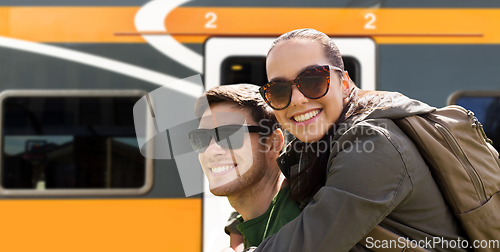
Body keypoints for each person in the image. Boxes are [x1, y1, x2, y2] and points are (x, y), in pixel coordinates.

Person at [247, 28, 468, 251]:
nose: (296, 99)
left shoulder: (375, 145)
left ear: (344, 84)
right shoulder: (316, 147)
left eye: (313, 80)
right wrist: (240, 223)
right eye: (278, 90)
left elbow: (310, 243)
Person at [190, 84, 301, 251]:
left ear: (273, 143)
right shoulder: (249, 219)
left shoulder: (301, 220)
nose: (211, 151)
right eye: (202, 138)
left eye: (229, 135)